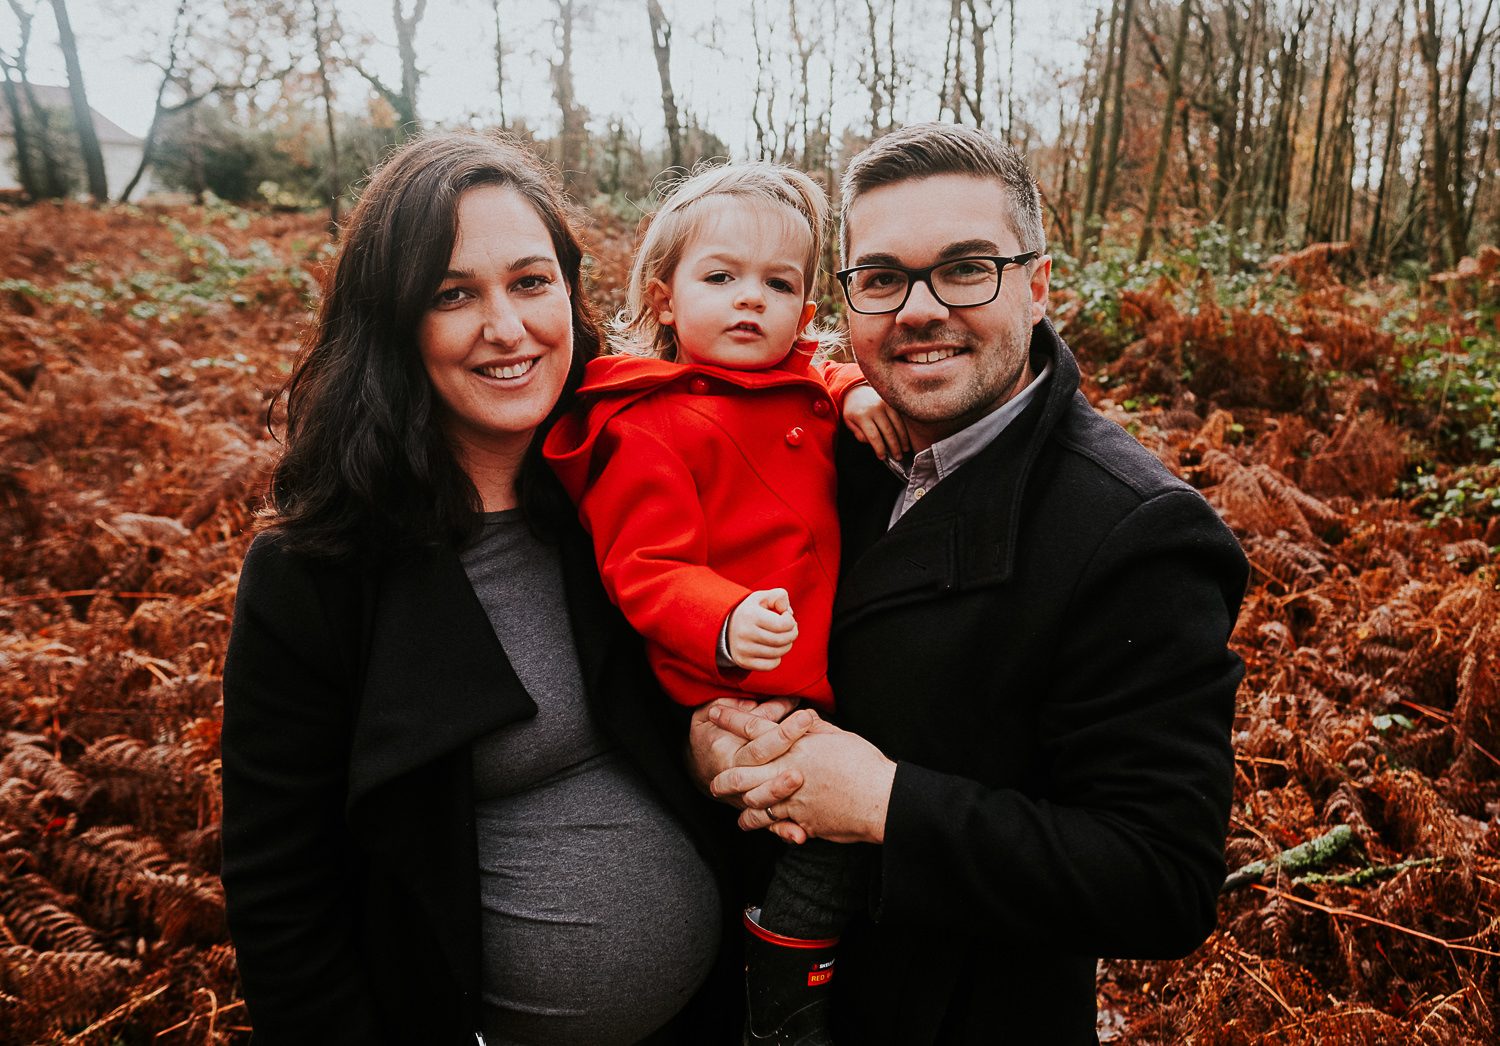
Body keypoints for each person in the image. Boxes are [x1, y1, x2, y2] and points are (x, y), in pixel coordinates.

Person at [691, 122, 1250, 1044]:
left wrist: (885, 805)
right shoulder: (818, 443)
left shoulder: (1136, 532)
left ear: (1038, 286)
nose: (918, 310)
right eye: (880, 277)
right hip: (741, 980)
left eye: (964, 268)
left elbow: (1160, 875)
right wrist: (706, 743)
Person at [220, 131, 739, 1046]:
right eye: (453, 294)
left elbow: (774, 409)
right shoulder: (319, 572)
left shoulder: (621, 488)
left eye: (531, 282)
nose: (508, 328)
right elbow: (281, 893)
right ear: (392, 322)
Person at [543, 162, 906, 1046]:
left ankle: (795, 971)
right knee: (806, 841)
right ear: (666, 300)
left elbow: (806, 379)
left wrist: (851, 386)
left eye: (778, 284)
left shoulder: (801, 385)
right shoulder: (647, 423)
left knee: (835, 835)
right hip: (733, 683)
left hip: (819, 681)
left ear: (807, 314)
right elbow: (645, 565)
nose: (751, 301)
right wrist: (723, 619)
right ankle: (780, 1002)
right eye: (722, 278)